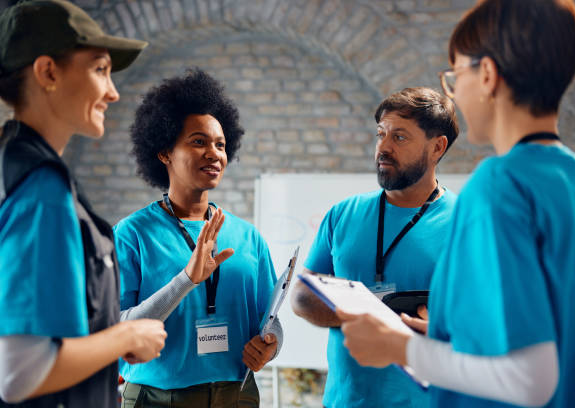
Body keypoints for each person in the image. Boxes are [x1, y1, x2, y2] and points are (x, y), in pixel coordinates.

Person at [338, 0, 575, 407]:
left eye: (455, 74)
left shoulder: (500, 184)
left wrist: (400, 348)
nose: (455, 91)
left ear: (486, 75)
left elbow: (530, 378)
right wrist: (454, 338)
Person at [0, 1, 169, 406]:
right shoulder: (43, 192)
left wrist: (104, 347)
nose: (112, 92)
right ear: (48, 72)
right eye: (99, 69)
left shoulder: (13, 166)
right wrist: (127, 335)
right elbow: (19, 372)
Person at [114, 68, 282, 407]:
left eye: (220, 144)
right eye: (198, 142)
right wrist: (187, 279)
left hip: (238, 396)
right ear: (164, 153)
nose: (214, 153)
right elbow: (117, 332)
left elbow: (271, 321)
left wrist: (271, 344)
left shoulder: (248, 237)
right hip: (157, 399)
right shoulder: (132, 234)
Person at [291, 87, 459, 407]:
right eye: (380, 134)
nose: (383, 146)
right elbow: (301, 295)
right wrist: (365, 314)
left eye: (399, 137)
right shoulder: (343, 213)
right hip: (345, 401)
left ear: (437, 147)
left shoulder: (468, 224)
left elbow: (488, 323)